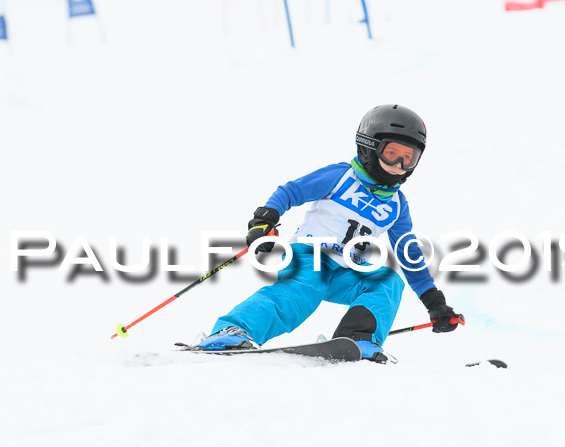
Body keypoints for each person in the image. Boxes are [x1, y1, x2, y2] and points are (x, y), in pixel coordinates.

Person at [198, 104, 462, 362]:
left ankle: (358, 339)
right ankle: (232, 330)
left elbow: (408, 253)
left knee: (387, 282)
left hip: (349, 270)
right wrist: (264, 219)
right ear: (369, 147)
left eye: (409, 158)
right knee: (302, 292)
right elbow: (290, 192)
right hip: (310, 256)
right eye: (391, 153)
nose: (399, 164)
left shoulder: (397, 205)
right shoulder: (341, 176)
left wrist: (433, 302)